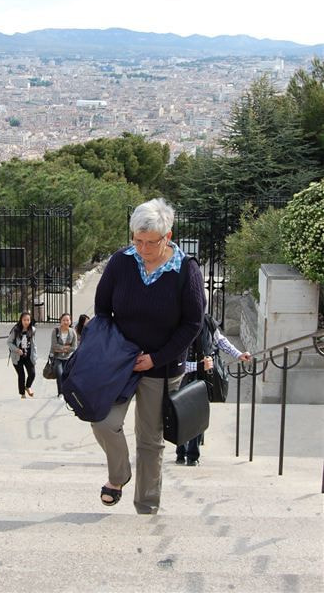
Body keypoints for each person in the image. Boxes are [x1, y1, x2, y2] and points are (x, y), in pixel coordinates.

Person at [92, 197, 206, 514]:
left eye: (150, 242)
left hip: (162, 367)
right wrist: (120, 351)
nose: (142, 249)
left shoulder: (185, 270)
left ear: (167, 237)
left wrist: (156, 358)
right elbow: (102, 311)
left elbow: (193, 323)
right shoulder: (121, 262)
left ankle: (146, 507)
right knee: (102, 420)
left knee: (150, 440)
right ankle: (119, 475)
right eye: (137, 240)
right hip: (121, 363)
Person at [176, 326, 251, 466]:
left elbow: (220, 340)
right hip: (181, 378)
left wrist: (238, 354)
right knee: (183, 414)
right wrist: (199, 366)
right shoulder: (177, 323)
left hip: (203, 377)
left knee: (199, 415)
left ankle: (192, 455)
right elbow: (176, 364)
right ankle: (181, 452)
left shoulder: (206, 322)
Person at [7, 311, 37, 398]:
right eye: (24, 320)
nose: (26, 322)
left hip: (28, 355)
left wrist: (34, 355)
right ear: (21, 320)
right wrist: (17, 350)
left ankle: (28, 387)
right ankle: (22, 394)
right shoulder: (16, 330)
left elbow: (33, 343)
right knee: (21, 375)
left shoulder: (32, 330)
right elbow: (9, 342)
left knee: (32, 373)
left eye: (28, 320)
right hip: (17, 356)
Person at [50, 313, 78, 397]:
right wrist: (66, 348)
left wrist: (61, 348)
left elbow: (74, 347)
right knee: (60, 374)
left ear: (70, 321)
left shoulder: (73, 332)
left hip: (68, 358)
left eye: (67, 320)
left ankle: (68, 392)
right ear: (60, 321)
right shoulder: (55, 331)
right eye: (64, 320)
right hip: (57, 357)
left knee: (68, 375)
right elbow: (54, 346)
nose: (66, 322)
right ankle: (60, 393)